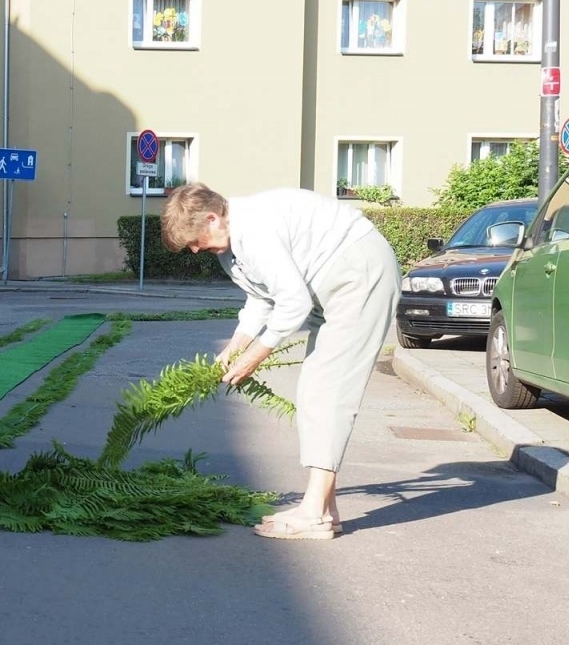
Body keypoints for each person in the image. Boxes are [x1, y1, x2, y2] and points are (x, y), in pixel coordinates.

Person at [161, 183, 399, 540]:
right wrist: (235, 347)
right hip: (329, 285)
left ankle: (314, 514)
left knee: (327, 388)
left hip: (360, 274)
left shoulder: (254, 229)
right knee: (315, 390)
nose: (195, 250)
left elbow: (293, 304)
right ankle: (326, 510)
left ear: (212, 218)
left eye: (195, 240)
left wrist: (254, 357)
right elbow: (262, 299)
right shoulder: (229, 247)